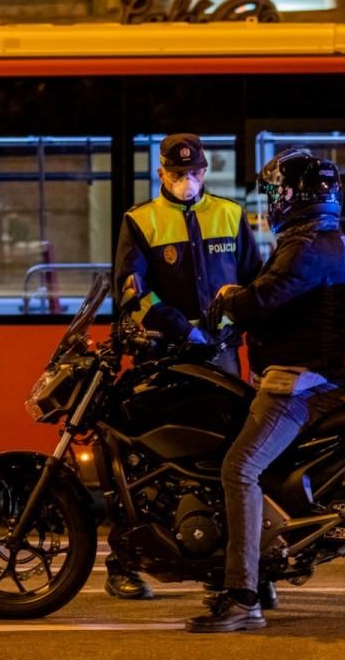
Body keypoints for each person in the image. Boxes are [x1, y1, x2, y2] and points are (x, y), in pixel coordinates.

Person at [186, 148, 345, 633]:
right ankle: (260, 573)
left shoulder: (306, 245)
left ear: (293, 194)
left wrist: (227, 297)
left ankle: (242, 597)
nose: (270, 202)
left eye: (274, 192)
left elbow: (262, 299)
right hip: (295, 376)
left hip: (299, 384)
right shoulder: (316, 239)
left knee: (239, 469)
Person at [107, 132, 262, 600]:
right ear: (161, 173)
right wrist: (179, 329)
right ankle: (123, 564)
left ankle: (232, 570)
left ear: (206, 171)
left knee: (226, 461)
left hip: (221, 356)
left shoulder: (231, 215)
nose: (186, 180)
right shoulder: (141, 221)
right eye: (177, 173)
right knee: (140, 462)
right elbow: (131, 291)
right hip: (163, 356)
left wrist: (234, 332)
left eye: (194, 172)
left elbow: (255, 284)